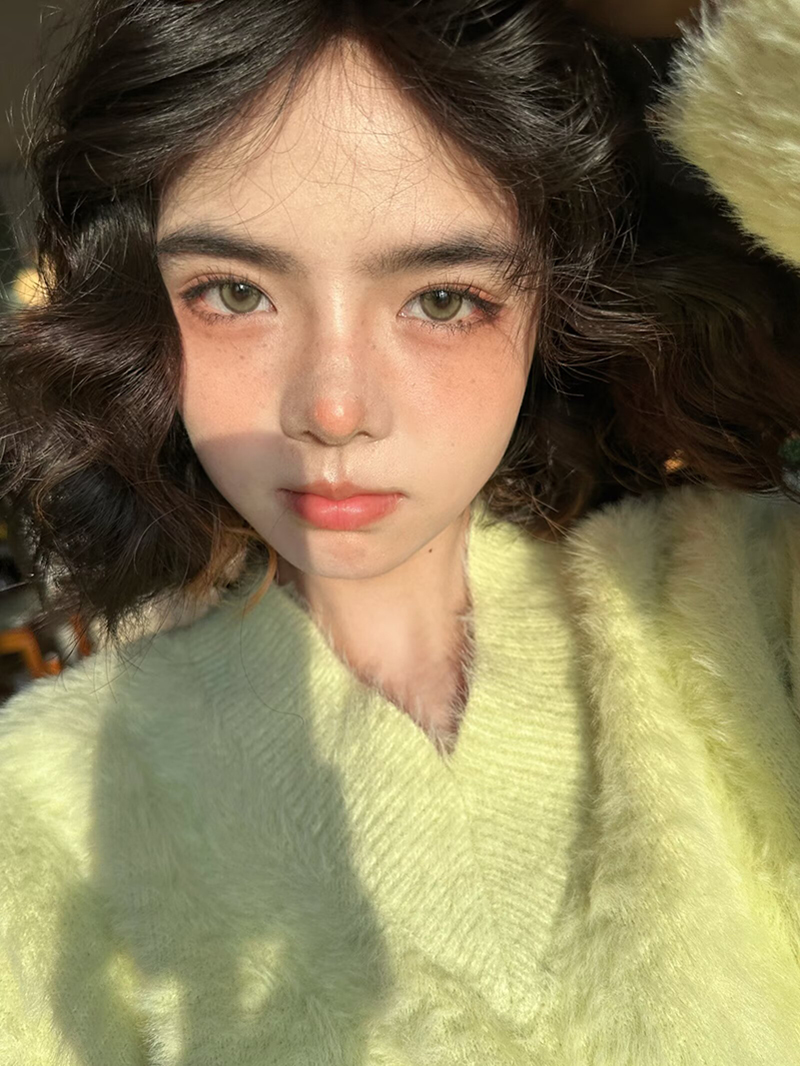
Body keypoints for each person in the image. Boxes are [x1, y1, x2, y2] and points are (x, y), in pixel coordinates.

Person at [1, 0, 799, 1061]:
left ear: (553, 305)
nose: (334, 409)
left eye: (441, 300)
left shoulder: (747, 603)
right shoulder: (44, 812)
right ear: (143, 308)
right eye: (233, 292)